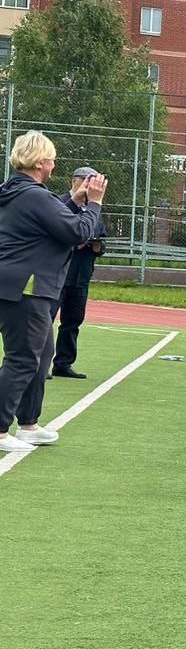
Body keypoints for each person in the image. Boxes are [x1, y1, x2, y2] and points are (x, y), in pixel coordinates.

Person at [0, 132, 107, 454]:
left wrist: (74, 201)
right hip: (27, 288)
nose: (54, 164)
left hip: (17, 283)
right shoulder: (34, 196)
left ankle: (29, 424)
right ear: (41, 162)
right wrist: (95, 204)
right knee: (21, 358)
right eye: (51, 159)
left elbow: (50, 218)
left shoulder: (17, 192)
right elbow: (76, 232)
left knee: (42, 354)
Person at [49, 165, 107, 379]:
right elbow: (55, 235)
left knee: (73, 320)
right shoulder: (59, 204)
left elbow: (101, 235)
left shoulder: (94, 208)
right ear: (76, 182)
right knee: (47, 319)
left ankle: (63, 363)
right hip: (59, 273)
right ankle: (40, 364)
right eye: (88, 183)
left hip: (81, 274)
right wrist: (76, 244)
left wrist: (98, 247)